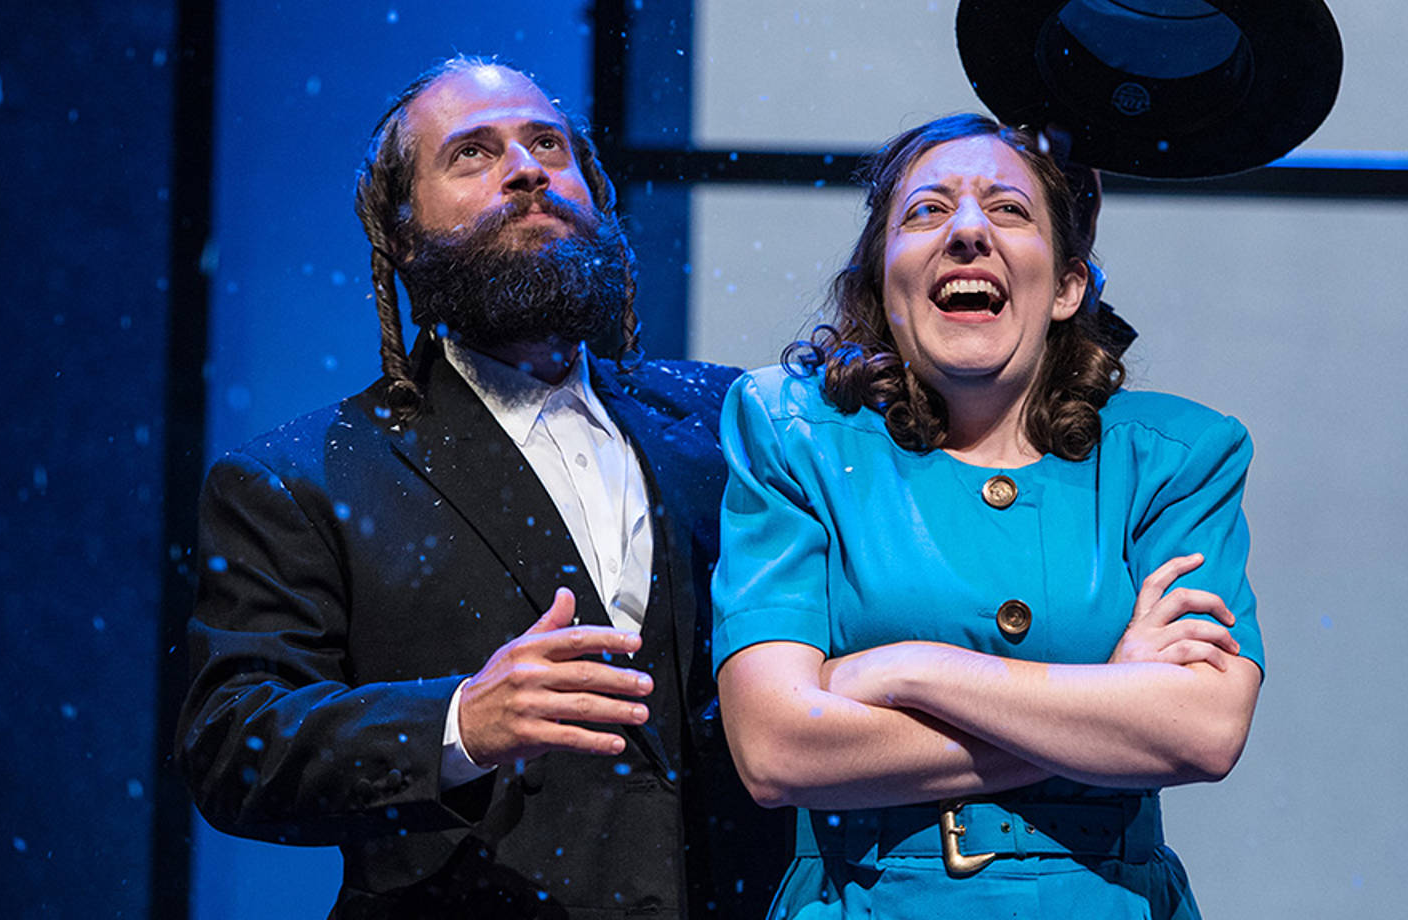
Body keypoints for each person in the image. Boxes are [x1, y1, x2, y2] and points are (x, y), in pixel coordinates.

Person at [179, 57, 785, 917]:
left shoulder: (728, 421)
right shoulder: (299, 479)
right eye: (473, 153)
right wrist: (460, 724)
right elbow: (232, 746)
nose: (529, 167)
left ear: (598, 195)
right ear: (403, 232)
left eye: (549, 144)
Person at [712, 114, 1264, 917]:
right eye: (926, 211)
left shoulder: (1178, 456)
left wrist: (904, 670)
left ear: (1069, 285)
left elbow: (1202, 732)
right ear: (882, 284)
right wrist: (1106, 703)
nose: (968, 231)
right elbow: (776, 748)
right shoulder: (791, 433)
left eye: (1008, 209)